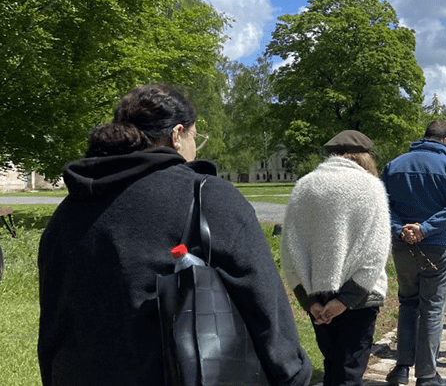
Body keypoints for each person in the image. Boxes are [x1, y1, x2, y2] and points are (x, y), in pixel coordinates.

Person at [37, 83, 311, 386]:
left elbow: (52, 315)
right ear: (177, 135)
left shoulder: (69, 209)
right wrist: (293, 373)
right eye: (196, 137)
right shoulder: (206, 195)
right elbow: (264, 301)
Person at [281, 130, 391, 386]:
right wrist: (345, 300)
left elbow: (289, 250)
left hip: (317, 295)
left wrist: (309, 302)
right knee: (350, 372)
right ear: (365, 156)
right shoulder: (371, 187)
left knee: (332, 366)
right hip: (360, 297)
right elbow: (377, 251)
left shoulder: (304, 186)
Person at [381, 120, 446, 386]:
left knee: (407, 303)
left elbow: (381, 203)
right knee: (431, 308)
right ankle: (428, 375)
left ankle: (401, 369)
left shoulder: (395, 165)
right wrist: (425, 229)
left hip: (403, 245)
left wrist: (402, 230)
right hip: (439, 246)